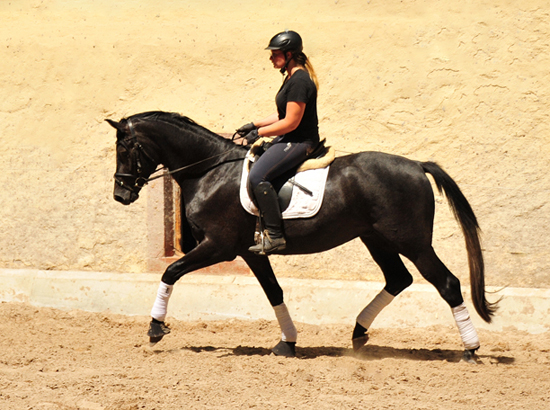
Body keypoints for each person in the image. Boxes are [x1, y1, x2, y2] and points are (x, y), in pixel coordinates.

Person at [236, 30, 320, 254]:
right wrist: (254, 124)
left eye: (275, 54)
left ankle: (275, 236)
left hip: (300, 141)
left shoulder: (300, 81)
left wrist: (261, 133)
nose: (271, 58)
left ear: (289, 54)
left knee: (258, 176)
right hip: (289, 138)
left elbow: (291, 122)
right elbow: (282, 114)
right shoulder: (291, 78)